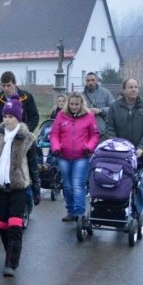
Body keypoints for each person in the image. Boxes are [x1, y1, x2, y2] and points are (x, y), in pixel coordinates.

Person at [0, 98, 37, 277]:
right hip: (0, 184)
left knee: (15, 224)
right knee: (3, 224)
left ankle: (11, 263)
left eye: (11, 116)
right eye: (5, 116)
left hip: (18, 185)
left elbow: (33, 165)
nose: (7, 120)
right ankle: (9, 252)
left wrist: (36, 189)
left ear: (18, 118)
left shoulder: (27, 138)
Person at [100, 78, 143, 215]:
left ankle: (137, 212)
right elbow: (109, 127)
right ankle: (117, 209)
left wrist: (142, 147)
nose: (134, 89)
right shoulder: (115, 107)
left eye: (136, 87)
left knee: (138, 183)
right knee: (117, 179)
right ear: (124, 90)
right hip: (120, 154)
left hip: (139, 153)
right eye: (130, 87)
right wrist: (116, 145)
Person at [48, 92, 100, 222]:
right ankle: (70, 211)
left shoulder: (89, 117)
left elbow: (95, 135)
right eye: (72, 104)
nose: (74, 107)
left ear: (81, 104)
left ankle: (79, 213)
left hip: (81, 156)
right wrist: (56, 147)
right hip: (63, 156)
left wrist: (89, 147)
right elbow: (54, 134)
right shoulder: (61, 116)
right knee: (67, 186)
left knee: (78, 185)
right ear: (68, 104)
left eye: (77, 104)